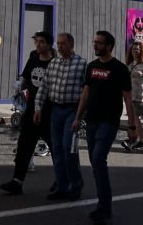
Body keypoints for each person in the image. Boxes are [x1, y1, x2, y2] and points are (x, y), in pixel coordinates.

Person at [73, 31, 139, 223]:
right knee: (96, 163)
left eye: (99, 43)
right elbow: (86, 93)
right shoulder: (92, 67)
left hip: (109, 122)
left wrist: (132, 126)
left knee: (98, 159)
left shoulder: (119, 69)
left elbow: (128, 99)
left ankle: (104, 206)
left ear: (109, 46)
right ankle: (103, 203)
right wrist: (77, 117)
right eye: (95, 42)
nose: (95, 46)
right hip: (91, 121)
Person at [34, 32, 88, 201]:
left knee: (69, 148)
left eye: (63, 43)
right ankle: (62, 187)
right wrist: (38, 108)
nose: (60, 47)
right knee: (57, 150)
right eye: (58, 44)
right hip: (56, 110)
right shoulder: (54, 63)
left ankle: (76, 185)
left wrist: (81, 114)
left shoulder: (81, 64)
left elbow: (87, 90)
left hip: (72, 110)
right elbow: (44, 86)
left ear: (71, 44)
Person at [0, 31, 55, 195]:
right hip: (31, 109)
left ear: (49, 45)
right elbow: (26, 78)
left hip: (49, 111)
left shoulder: (55, 63)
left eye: (42, 42)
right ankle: (17, 181)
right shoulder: (33, 57)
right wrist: (19, 88)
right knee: (24, 145)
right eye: (37, 41)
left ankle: (61, 180)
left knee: (55, 147)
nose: (38, 44)